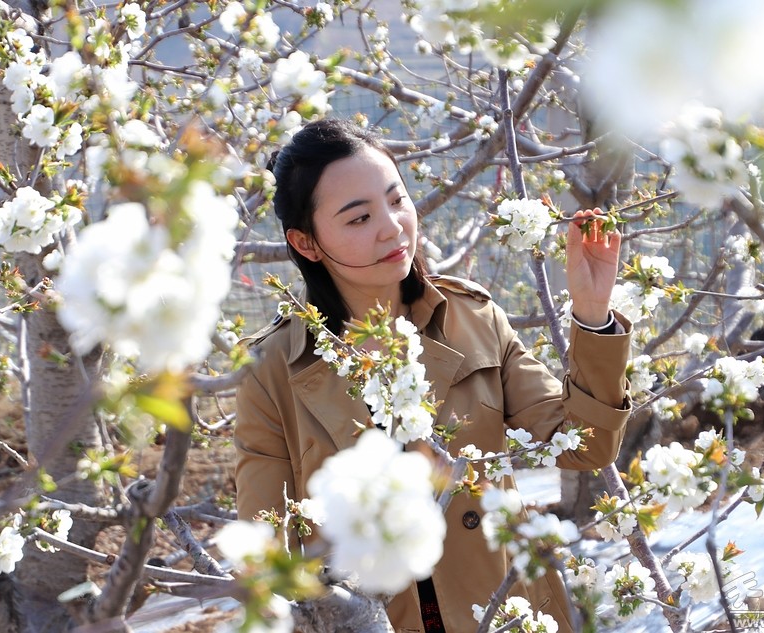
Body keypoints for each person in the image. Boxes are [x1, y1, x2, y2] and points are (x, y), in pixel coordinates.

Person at [234, 118, 632, 632]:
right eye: (358, 219)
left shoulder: (473, 319)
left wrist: (592, 313)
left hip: (501, 611)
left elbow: (586, 445)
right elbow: (265, 554)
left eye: (396, 200)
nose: (392, 226)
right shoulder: (271, 371)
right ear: (307, 243)